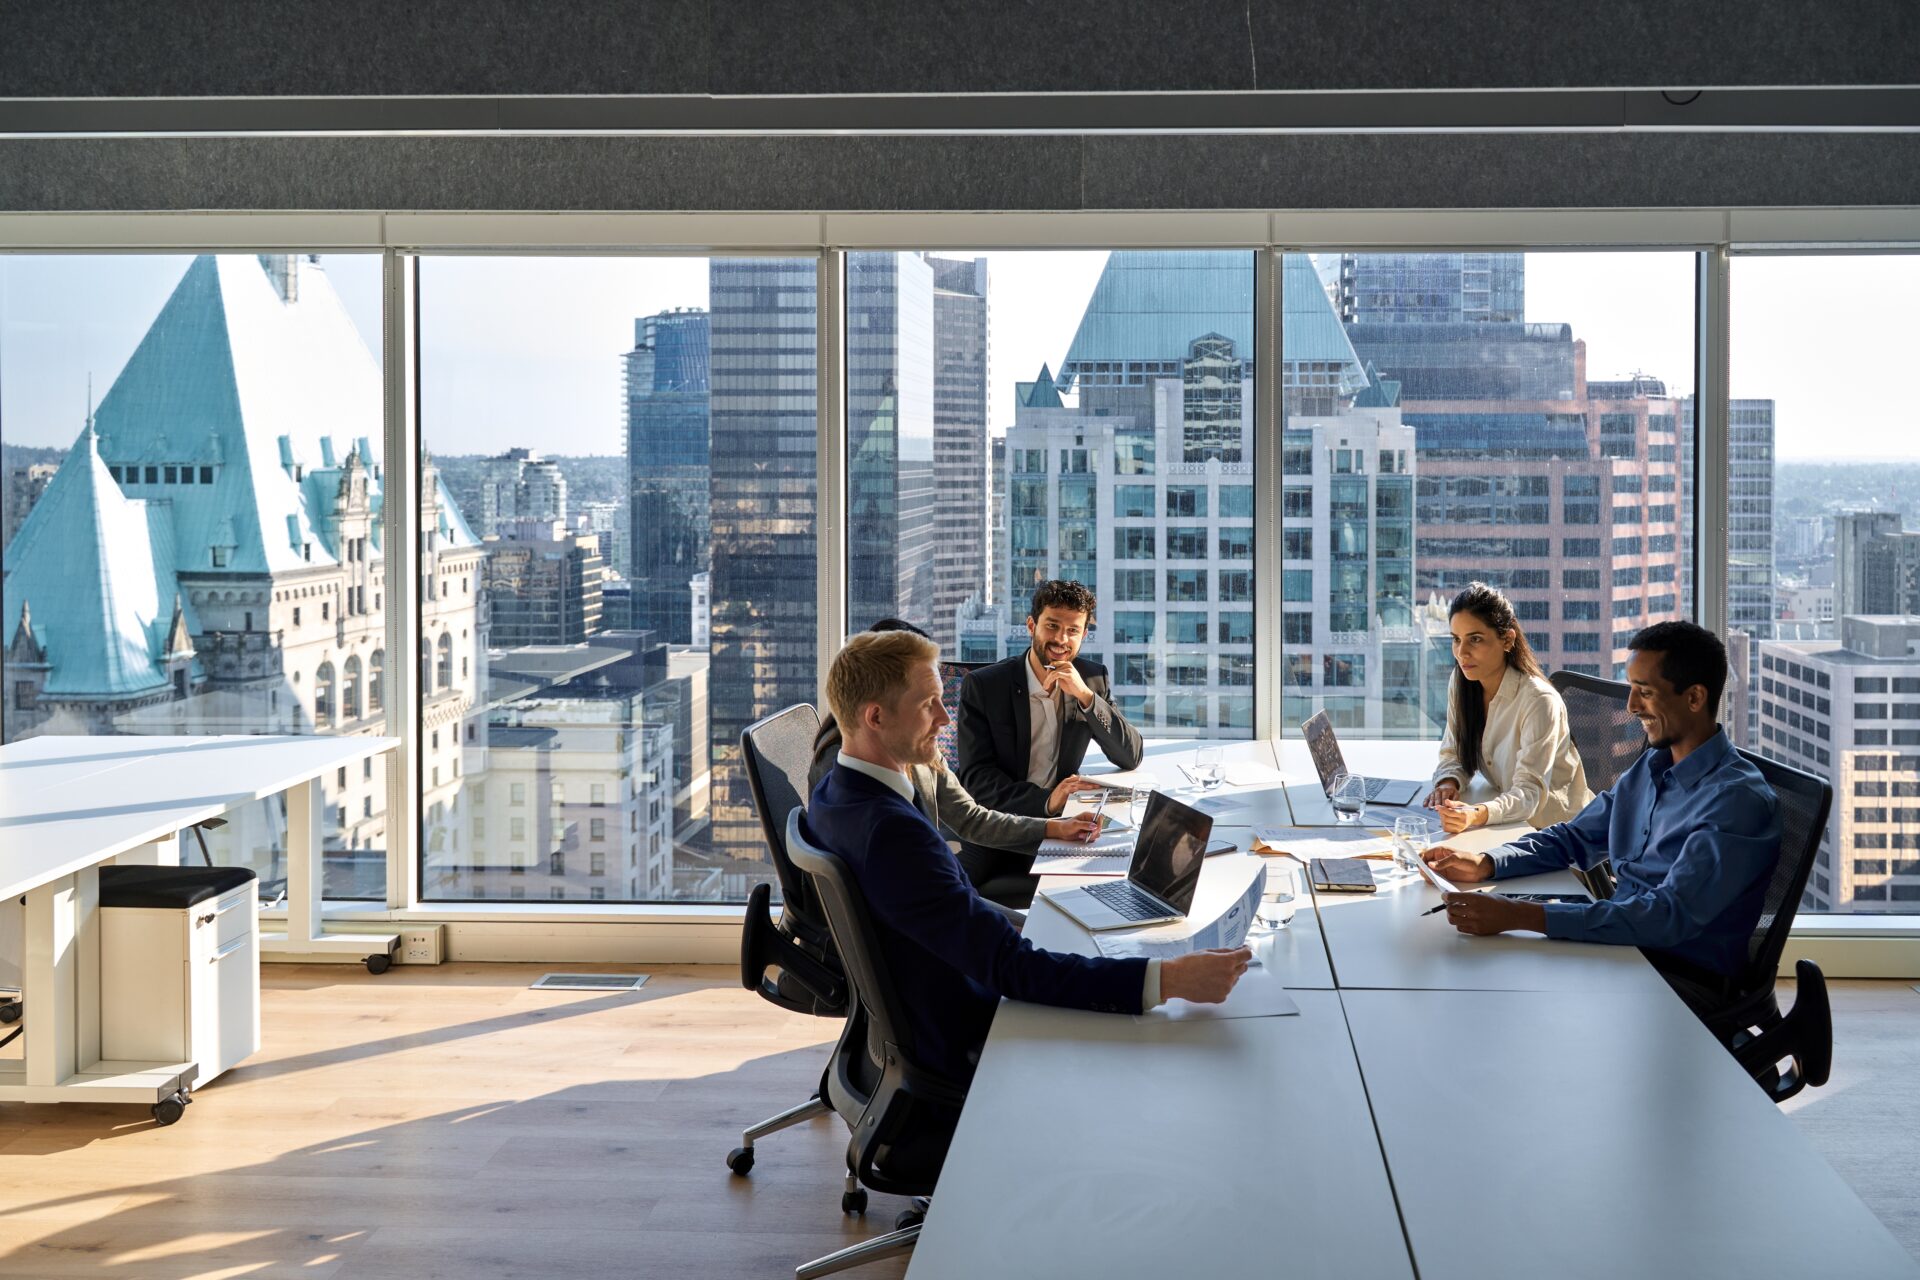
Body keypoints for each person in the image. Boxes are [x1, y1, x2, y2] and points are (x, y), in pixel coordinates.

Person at [802, 629, 1249, 1082]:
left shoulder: (835, 792)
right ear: (875, 717)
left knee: (1085, 944)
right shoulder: (893, 834)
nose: (944, 718)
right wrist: (1169, 980)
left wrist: (1040, 923)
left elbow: (961, 915)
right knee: (1173, 1058)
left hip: (935, 992)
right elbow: (1008, 967)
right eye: (927, 705)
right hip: (966, 1033)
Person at [1423, 621, 1781, 1019]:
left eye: (1644, 692)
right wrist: (1489, 862)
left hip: (1679, 979)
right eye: (1631, 688)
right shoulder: (1654, 764)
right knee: (1481, 983)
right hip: (1626, 948)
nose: (1630, 706)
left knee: (1516, 1005)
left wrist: (1520, 915)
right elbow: (1575, 837)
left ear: (1695, 697)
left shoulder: (1735, 803)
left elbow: (1664, 918)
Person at [808, 618, 1104, 858]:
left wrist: (1054, 828)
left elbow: (968, 816)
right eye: (925, 701)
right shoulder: (850, 781)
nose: (945, 718)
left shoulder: (916, 748)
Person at [956, 579, 1144, 906]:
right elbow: (977, 780)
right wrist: (1047, 802)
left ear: (1084, 635)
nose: (1061, 639)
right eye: (1052, 626)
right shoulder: (985, 686)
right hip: (1000, 822)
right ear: (1032, 625)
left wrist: (1086, 697)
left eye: (1073, 630)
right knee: (956, 895)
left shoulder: (1091, 678)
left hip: (1063, 823)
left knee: (1109, 885)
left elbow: (1130, 756)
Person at [1422, 582, 1593, 834]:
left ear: (1507, 639)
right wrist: (1448, 783)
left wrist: (1476, 814)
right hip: (1510, 826)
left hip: (1557, 836)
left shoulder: (1539, 700)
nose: (1461, 652)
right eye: (1456, 639)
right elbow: (1455, 752)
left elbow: (1528, 794)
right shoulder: (1463, 682)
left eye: (1475, 639)